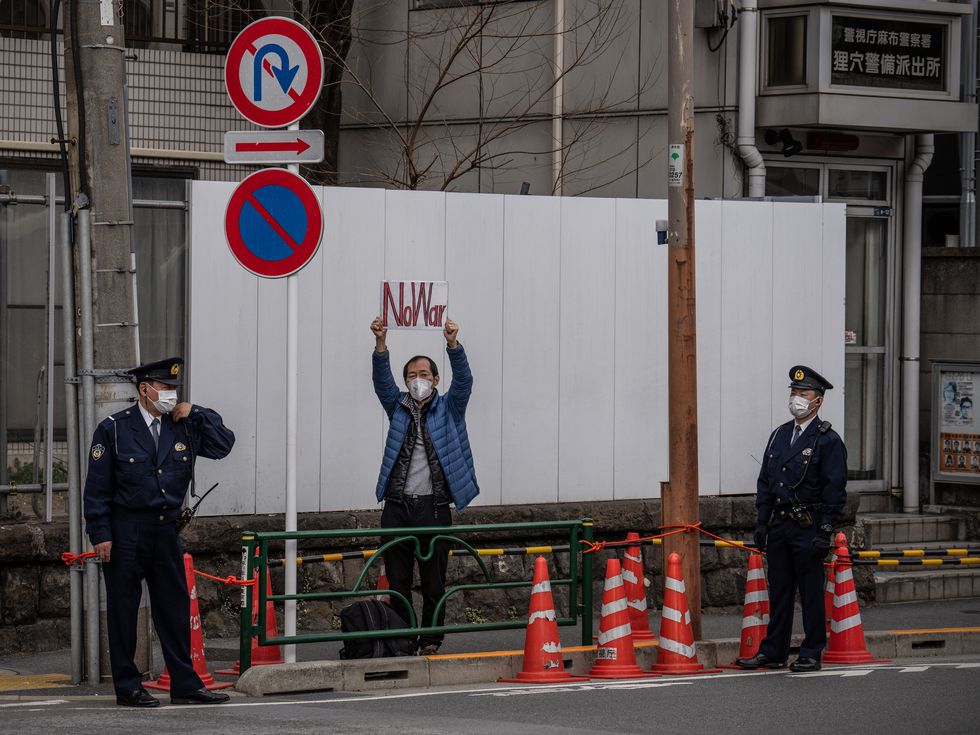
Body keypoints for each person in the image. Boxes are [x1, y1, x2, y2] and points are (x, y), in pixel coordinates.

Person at [83, 357, 235, 707]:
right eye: (164, 388)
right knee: (124, 611)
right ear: (144, 389)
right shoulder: (115, 428)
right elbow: (97, 487)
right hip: (126, 530)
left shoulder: (181, 425)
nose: (170, 394)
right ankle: (128, 686)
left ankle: (185, 683)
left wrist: (197, 413)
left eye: (173, 388)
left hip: (166, 530)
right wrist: (100, 532)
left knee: (175, 609)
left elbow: (224, 444)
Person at [370, 316, 479, 655]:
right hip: (397, 506)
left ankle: (431, 639)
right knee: (398, 581)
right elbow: (381, 382)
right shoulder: (398, 407)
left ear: (435, 379)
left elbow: (465, 381)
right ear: (406, 381)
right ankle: (404, 640)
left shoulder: (450, 407)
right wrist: (381, 344)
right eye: (412, 375)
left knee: (434, 582)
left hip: (434, 507)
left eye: (424, 375)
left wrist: (452, 345)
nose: (418, 380)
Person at [737, 365, 847, 674]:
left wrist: (825, 530)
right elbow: (765, 481)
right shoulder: (780, 434)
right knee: (780, 591)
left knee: (810, 593)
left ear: (818, 400)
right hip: (780, 524)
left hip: (808, 525)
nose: (796, 398)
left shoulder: (827, 440)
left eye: (803, 393)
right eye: (794, 392)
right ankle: (774, 651)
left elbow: (834, 489)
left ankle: (811, 651)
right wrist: (762, 521)